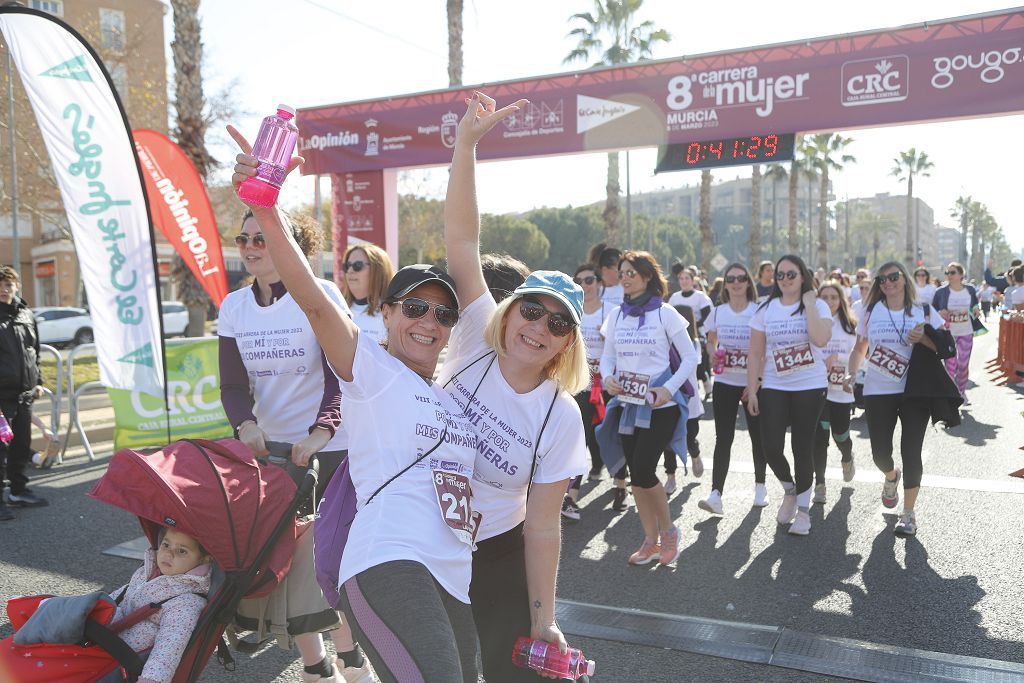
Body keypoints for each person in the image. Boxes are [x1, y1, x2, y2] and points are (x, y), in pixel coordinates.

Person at [231, 123, 482, 682]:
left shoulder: (450, 401)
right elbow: (319, 307)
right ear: (386, 313)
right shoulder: (374, 370)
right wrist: (269, 215)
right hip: (389, 560)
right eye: (415, 307)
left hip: (452, 575)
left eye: (443, 314)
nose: (429, 322)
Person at [440, 92, 590, 683]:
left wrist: (545, 618)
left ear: (566, 345)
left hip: (494, 552)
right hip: (422, 535)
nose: (539, 328)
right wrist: (466, 149)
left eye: (558, 324)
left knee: (512, 675)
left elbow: (544, 526)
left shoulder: (561, 417)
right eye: (532, 311)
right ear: (509, 311)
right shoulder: (477, 337)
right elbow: (463, 242)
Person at [217, 210, 370, 683]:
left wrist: (321, 432)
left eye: (262, 237)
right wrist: (244, 424)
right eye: (243, 238)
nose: (250, 245)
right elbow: (232, 385)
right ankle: (315, 665)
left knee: (330, 563)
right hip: (271, 455)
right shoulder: (234, 307)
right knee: (285, 562)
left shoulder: (320, 295)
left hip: (328, 449)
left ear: (290, 244)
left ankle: (351, 658)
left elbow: (342, 376)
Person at [1, 526, 211, 683]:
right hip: (102, 635)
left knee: (39, 666)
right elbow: (120, 596)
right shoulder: (149, 571)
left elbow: (170, 647)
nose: (169, 553)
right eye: (166, 544)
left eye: (182, 551)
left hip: (115, 652)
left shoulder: (185, 603)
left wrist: (152, 680)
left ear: (203, 560)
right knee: (28, 649)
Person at [598, 250, 699, 566]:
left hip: (661, 406)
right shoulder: (615, 315)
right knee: (636, 476)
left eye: (631, 273)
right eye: (622, 272)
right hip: (627, 403)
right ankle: (650, 541)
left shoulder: (665, 313)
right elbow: (608, 357)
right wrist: (608, 378)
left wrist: (668, 390)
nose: (625, 278)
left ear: (647, 277)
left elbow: (690, 357)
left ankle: (669, 532)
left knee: (643, 468)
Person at [847, 262, 945, 536]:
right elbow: (859, 348)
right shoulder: (870, 310)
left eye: (893, 277)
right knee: (880, 454)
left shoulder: (922, 309)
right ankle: (891, 476)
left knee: (911, 451)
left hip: (915, 390)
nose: (888, 282)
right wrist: (851, 374)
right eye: (882, 279)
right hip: (879, 391)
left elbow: (944, 344)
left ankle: (909, 514)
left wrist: (923, 338)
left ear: (904, 279)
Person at [745, 255, 832, 536]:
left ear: (802, 276)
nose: (784, 279)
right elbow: (755, 353)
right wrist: (753, 389)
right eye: (780, 275)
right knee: (770, 445)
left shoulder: (817, 305)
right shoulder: (765, 309)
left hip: (810, 384)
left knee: (801, 447)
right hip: (774, 384)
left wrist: (808, 304)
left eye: (790, 274)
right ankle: (790, 490)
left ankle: (804, 511)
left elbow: (820, 340)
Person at [698, 263, 766, 515]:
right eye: (731, 279)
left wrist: (756, 383)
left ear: (748, 282)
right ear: (725, 284)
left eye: (741, 278)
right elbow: (711, 341)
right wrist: (713, 352)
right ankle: (716, 494)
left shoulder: (758, 311)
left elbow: (765, 350)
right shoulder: (718, 312)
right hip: (726, 382)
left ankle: (761, 486)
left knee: (757, 437)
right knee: (723, 438)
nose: (736, 283)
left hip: (752, 384)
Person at [0, 266, 47, 521]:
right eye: (0, 284)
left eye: (9, 284)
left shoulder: (26, 314)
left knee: (21, 446)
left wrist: (38, 381)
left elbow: (34, 352)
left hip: (25, 394)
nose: (5, 289)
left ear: (16, 286)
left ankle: (18, 491)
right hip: (1, 398)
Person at [563, 263, 609, 521]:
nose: (584, 285)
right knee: (580, 437)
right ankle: (572, 495)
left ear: (599, 283)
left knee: (608, 435)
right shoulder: (572, 312)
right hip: (580, 386)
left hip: (608, 386)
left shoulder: (611, 312)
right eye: (578, 281)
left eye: (589, 280)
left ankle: (621, 484)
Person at [813, 281, 858, 504]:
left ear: (841, 300)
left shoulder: (850, 325)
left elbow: (858, 355)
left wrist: (842, 364)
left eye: (834, 297)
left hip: (841, 389)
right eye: (824, 297)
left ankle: (847, 457)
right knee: (819, 437)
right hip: (817, 389)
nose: (829, 301)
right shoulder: (812, 323)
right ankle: (819, 484)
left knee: (840, 434)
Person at [931, 262, 978, 403]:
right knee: (950, 366)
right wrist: (940, 312)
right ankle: (952, 395)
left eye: (952, 272)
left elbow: (974, 304)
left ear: (961, 275)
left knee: (963, 365)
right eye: (947, 273)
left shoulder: (970, 289)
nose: (949, 275)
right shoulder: (941, 291)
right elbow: (932, 311)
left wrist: (976, 309)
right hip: (948, 333)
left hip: (965, 332)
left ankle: (961, 391)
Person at [340, 243, 393, 345]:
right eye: (347, 266)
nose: (350, 271)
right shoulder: (337, 308)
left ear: (378, 270)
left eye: (357, 265)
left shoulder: (393, 314)